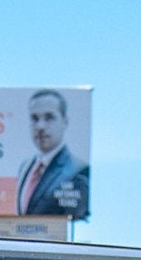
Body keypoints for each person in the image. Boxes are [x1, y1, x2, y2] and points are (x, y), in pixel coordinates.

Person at [14, 92, 87, 222]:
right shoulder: (25, 166)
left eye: (49, 118)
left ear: (65, 121)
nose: (40, 127)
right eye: (34, 118)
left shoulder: (78, 171)